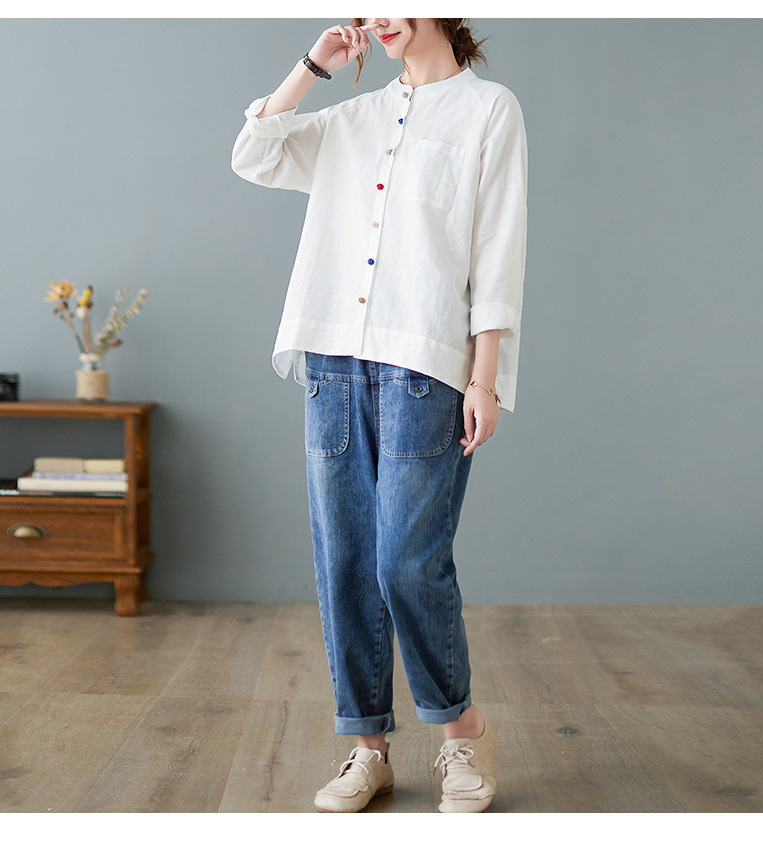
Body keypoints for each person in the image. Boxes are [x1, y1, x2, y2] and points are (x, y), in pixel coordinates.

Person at [232, 18, 527, 813]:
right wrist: (313, 65)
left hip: (427, 366)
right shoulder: (351, 118)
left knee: (406, 560)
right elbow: (254, 153)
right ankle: (368, 750)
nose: (378, 18)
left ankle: (462, 731)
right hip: (332, 361)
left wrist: (486, 378)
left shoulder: (489, 109)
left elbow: (498, 249)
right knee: (346, 561)